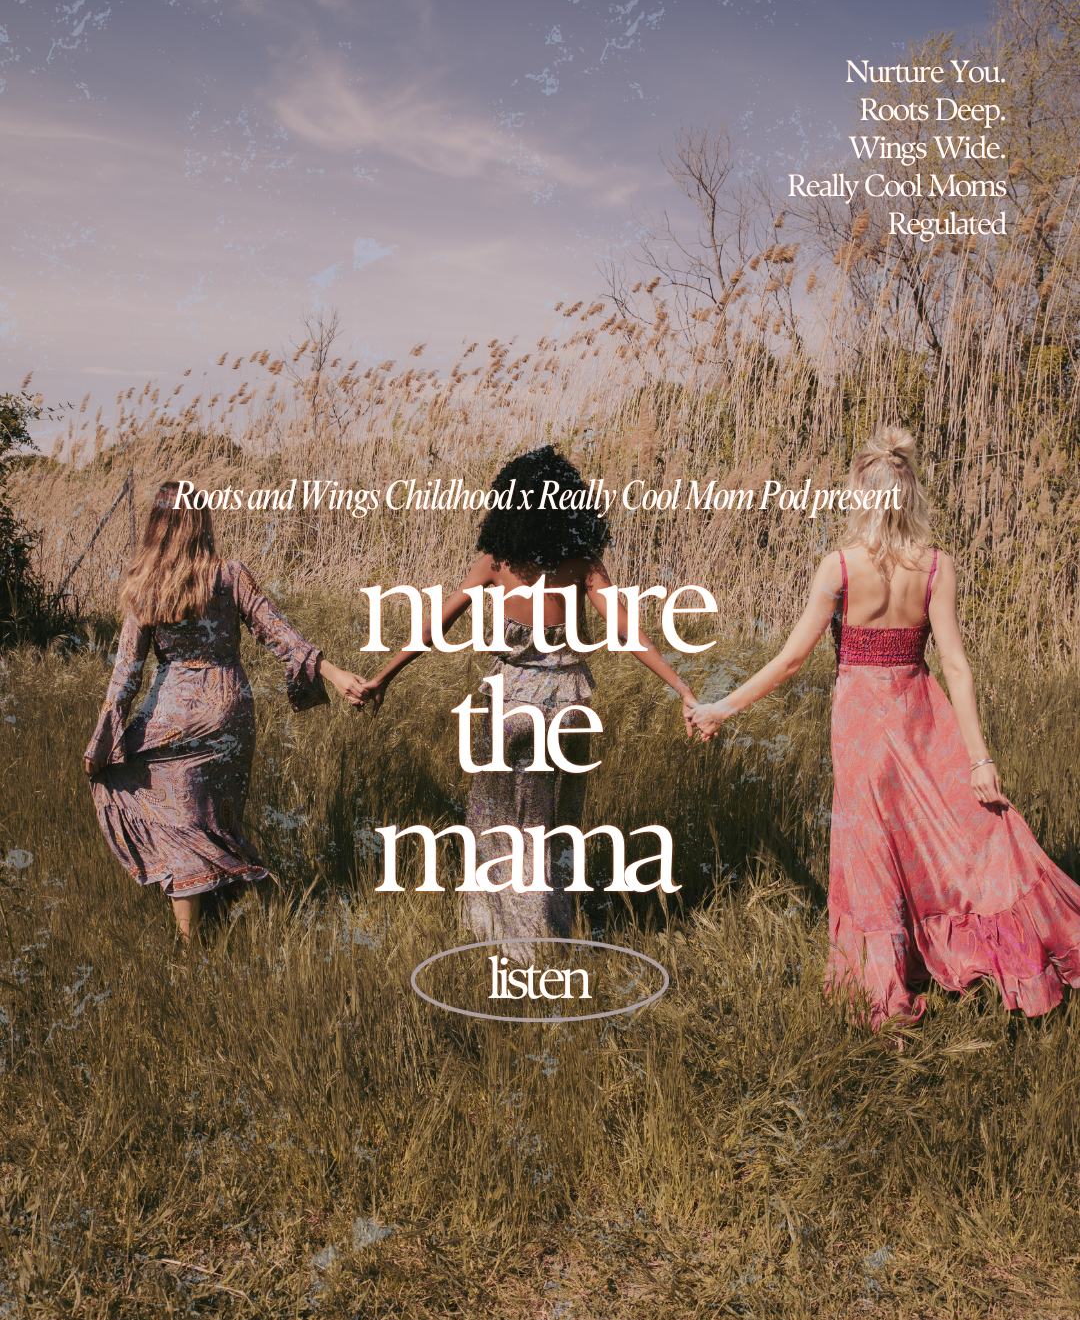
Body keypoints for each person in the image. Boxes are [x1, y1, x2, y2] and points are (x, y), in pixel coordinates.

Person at [691, 426, 1080, 1030]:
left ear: (860, 495)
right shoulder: (936, 567)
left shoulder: (839, 567)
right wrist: (979, 761)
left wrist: (720, 708)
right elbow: (956, 665)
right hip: (925, 717)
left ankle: (885, 986)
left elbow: (790, 660)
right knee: (958, 836)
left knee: (873, 850)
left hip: (862, 729)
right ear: (909, 495)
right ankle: (977, 954)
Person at [355, 446, 697, 954]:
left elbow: (437, 624)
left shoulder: (498, 563)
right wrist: (682, 687)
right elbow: (626, 631)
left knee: (498, 820)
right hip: (570, 708)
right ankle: (548, 937)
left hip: (511, 704)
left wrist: (383, 675)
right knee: (555, 824)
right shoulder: (582, 564)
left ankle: (504, 939)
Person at [84, 481, 366, 939]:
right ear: (201, 523)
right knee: (218, 821)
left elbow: (126, 675)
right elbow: (280, 634)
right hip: (229, 710)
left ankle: (189, 942)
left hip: (172, 711)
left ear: (158, 527)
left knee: (178, 822)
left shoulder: (143, 588)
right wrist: (334, 674)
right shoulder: (230, 575)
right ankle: (270, 908)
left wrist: (102, 742)